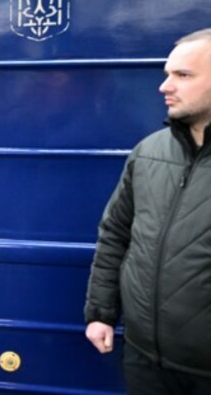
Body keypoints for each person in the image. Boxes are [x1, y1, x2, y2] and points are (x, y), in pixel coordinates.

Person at [85, 28, 211, 394]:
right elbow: (115, 236)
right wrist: (101, 313)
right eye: (167, 74)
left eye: (183, 75)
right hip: (143, 360)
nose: (165, 86)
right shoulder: (149, 152)